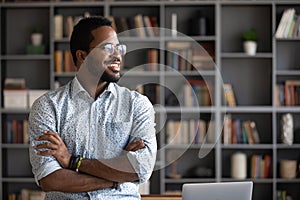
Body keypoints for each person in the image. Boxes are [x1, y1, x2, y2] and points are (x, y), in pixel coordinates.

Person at [28, 16, 157, 199]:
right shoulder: (48, 106)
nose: (117, 55)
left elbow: (142, 169)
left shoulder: (137, 104)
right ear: (82, 56)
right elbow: (50, 179)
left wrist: (73, 161)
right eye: (107, 48)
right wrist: (117, 177)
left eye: (119, 48)